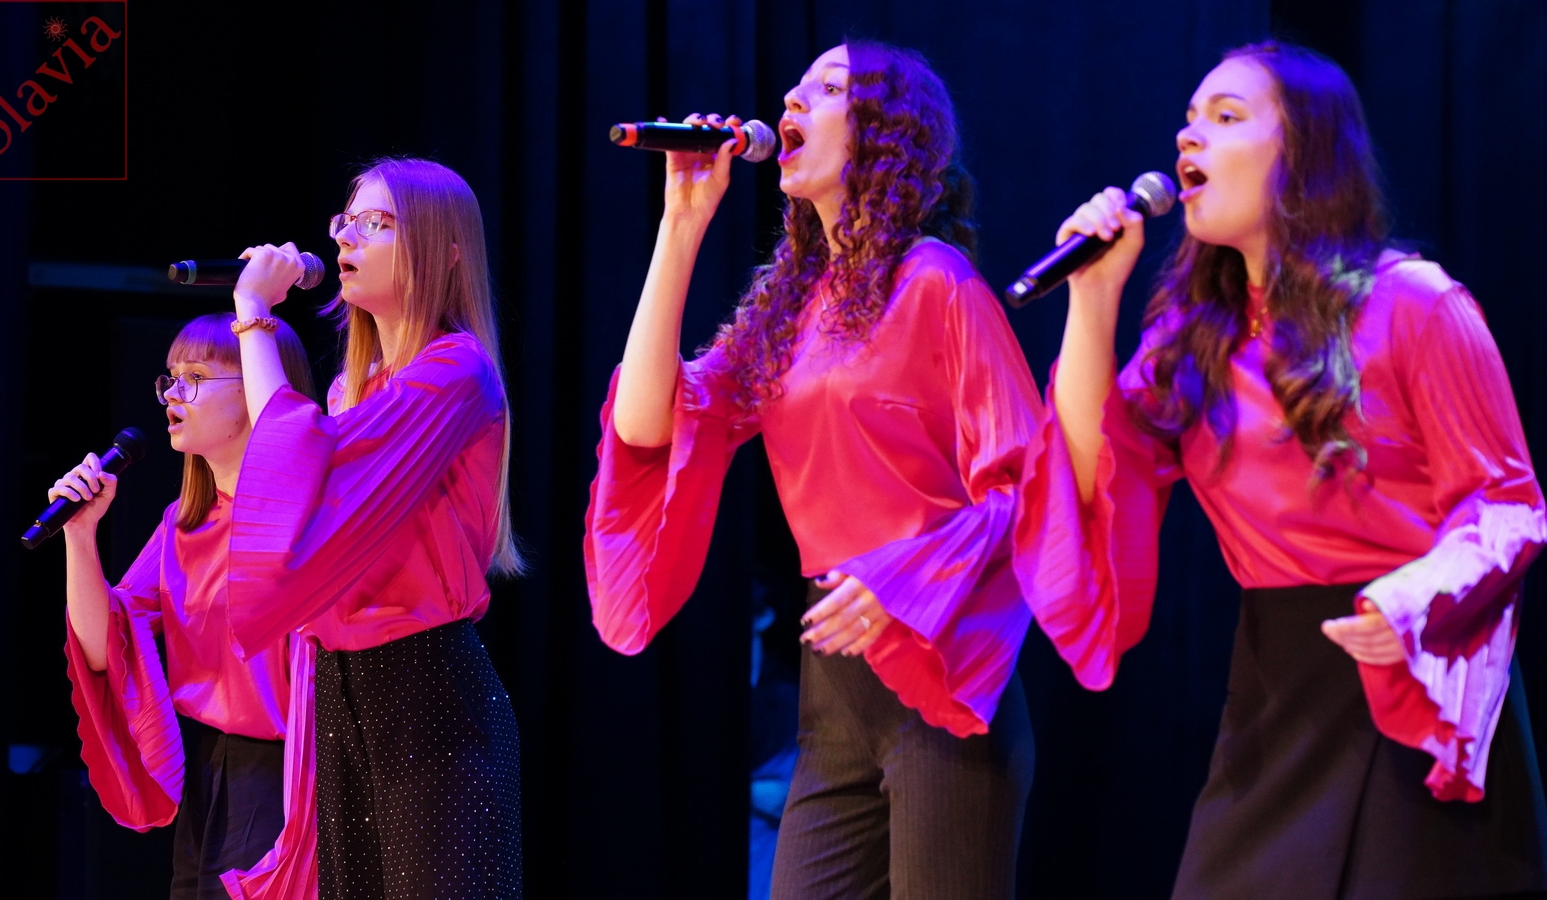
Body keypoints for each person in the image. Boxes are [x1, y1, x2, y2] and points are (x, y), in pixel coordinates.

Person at [1019, 40, 1547, 898]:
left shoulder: (1415, 303)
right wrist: (1093, 297)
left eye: (1226, 117)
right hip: (1275, 692)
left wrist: (1413, 602)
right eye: (1188, 120)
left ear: (1302, 150)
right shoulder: (1197, 338)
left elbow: (1507, 503)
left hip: (1415, 672)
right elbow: (1092, 468)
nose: (1189, 137)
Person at [585, 41, 1040, 897]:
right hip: (835, 695)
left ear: (883, 134)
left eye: (827, 88)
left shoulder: (936, 282)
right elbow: (649, 422)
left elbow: (1027, 487)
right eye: (795, 87)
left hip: (940, 669)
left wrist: (904, 579)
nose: (792, 100)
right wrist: (681, 226)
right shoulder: (794, 307)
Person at [219, 157, 524, 899]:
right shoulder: (351, 392)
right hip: (341, 692)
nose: (347, 238)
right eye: (345, 222)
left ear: (445, 250)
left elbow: (297, 466)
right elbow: (297, 485)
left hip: (427, 692)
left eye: (376, 223)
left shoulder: (456, 371)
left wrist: (255, 317)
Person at [55, 312, 316, 900]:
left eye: (195, 377)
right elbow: (104, 646)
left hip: (285, 773)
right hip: (207, 768)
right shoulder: (184, 522)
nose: (173, 394)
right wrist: (79, 534)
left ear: (257, 387)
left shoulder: (303, 514)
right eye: (170, 378)